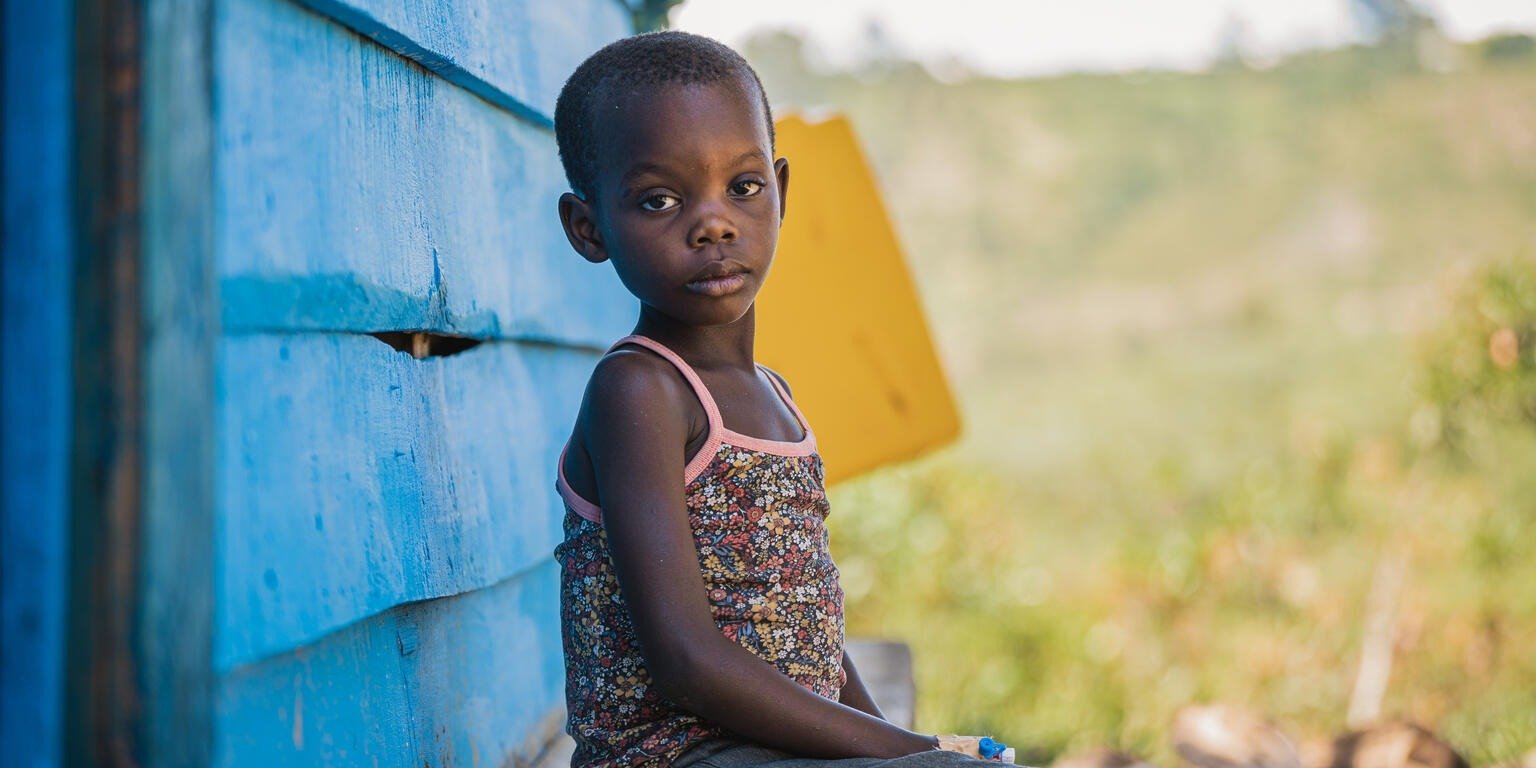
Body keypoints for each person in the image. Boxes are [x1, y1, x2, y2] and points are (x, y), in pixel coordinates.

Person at [551, 30, 1001, 768]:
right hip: (676, 756)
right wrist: (916, 752)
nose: (714, 223)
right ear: (588, 227)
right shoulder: (639, 390)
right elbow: (686, 659)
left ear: (781, 192)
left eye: (744, 187)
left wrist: (905, 753)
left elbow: (807, 634)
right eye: (659, 200)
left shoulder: (774, 395)